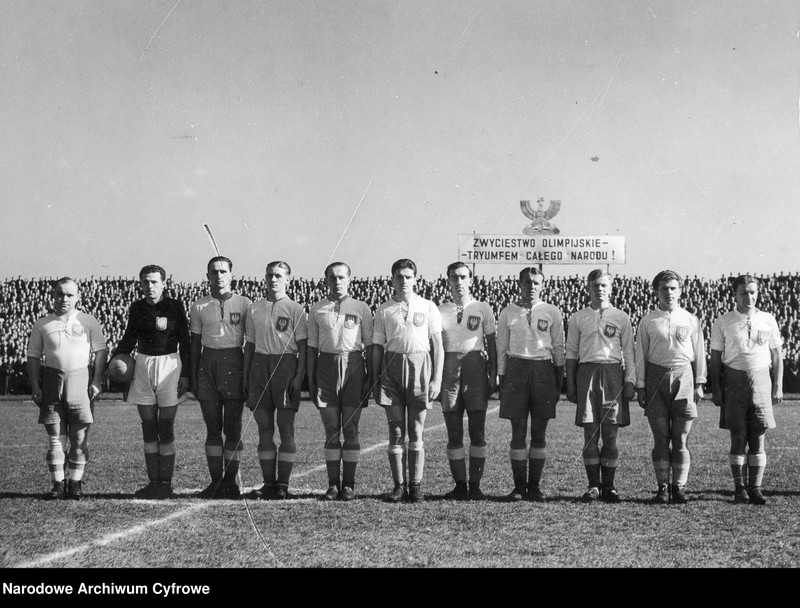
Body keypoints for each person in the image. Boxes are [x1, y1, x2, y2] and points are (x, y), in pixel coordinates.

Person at [26, 278, 108, 500]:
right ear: (53, 296)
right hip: (52, 381)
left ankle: (75, 483)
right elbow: (33, 356)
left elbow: (101, 351)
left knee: (79, 438)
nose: (64, 299)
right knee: (56, 439)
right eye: (60, 294)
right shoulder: (42, 323)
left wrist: (97, 381)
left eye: (69, 295)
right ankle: (58, 484)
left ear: (77, 297)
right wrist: (36, 386)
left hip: (81, 380)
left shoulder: (89, 321)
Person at [113, 265, 191, 499]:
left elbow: (185, 341)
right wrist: (114, 360)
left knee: (166, 427)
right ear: (141, 283)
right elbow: (129, 338)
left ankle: (165, 483)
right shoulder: (137, 308)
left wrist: (185, 373)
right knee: (148, 428)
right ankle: (153, 482)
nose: (150, 286)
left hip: (169, 365)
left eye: (154, 282)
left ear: (164, 283)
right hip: (143, 365)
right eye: (146, 282)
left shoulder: (174, 306)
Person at [372, 259, 444, 503]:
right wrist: (375, 379)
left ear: (415, 279)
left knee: (416, 429)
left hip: (420, 366)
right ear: (392, 279)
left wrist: (436, 379)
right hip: (392, 369)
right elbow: (377, 348)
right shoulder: (384, 310)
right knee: (396, 430)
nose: (404, 281)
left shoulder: (428, 306)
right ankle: (399, 486)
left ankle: (416, 485)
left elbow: (438, 347)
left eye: (408, 276)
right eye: (399, 276)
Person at [709, 274, 783, 505]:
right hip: (734, 380)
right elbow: (715, 359)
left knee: (758, 437)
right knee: (738, 436)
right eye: (744, 292)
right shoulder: (723, 321)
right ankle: (739, 488)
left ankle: (756, 488)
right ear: (734, 294)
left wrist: (778, 385)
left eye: (752, 292)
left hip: (761, 379)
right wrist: (717, 389)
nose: (749, 296)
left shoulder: (768, 320)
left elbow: (776, 355)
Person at [634, 270, 706, 504]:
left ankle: (679, 487)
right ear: (656, 292)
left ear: (680, 291)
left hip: (684, 376)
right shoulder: (648, 320)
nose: (669, 293)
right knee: (661, 437)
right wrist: (641, 386)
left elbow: (699, 354)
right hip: (656, 377)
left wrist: (699, 383)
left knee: (681, 437)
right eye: (664, 289)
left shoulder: (691, 319)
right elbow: (640, 356)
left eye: (673, 288)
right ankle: (663, 487)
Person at [565, 269, 635, 503]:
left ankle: (609, 486)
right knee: (590, 435)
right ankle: (593, 485)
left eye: (604, 284)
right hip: (587, 373)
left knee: (611, 435)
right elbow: (571, 353)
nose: (599, 289)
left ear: (611, 287)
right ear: (588, 287)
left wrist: (630, 381)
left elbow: (629, 353)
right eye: (595, 285)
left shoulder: (621, 316)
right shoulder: (578, 317)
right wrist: (571, 384)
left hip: (613, 373)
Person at [307, 262, 374, 501]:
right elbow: (312, 348)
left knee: (351, 429)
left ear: (349, 279)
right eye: (332, 278)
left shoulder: (361, 307)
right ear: (326, 280)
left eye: (342, 277)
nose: (337, 282)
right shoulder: (317, 309)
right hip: (325, 368)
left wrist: (370, 378)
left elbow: (370, 345)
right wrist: (311, 380)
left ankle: (349, 485)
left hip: (354, 367)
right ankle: (333, 484)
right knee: (331, 430)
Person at [497, 267, 564, 502]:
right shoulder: (507, 312)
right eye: (527, 282)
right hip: (516, 369)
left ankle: (534, 486)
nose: (532, 286)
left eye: (536, 283)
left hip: (543, 369)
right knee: (517, 432)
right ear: (520, 284)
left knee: (539, 432)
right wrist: (503, 379)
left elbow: (558, 348)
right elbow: (501, 350)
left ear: (542, 285)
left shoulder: (552, 311)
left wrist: (559, 380)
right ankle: (519, 487)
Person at [243, 261, 307, 500]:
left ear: (288, 280)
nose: (273, 279)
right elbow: (249, 343)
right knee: (264, 430)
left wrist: (299, 376)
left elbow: (302, 346)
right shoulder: (254, 308)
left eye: (279, 275)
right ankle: (269, 483)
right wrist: (248, 375)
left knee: (286, 429)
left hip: (285, 365)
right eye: (270, 274)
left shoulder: (295, 308)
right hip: (259, 365)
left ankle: (283, 484)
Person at [189, 256, 252, 499]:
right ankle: (215, 481)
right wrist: (194, 375)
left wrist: (246, 375)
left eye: (223, 271)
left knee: (233, 427)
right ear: (208, 276)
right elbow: (195, 344)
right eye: (214, 272)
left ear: (231, 275)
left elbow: (252, 341)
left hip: (234, 361)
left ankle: (231, 481)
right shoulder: (199, 305)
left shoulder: (244, 303)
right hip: (208, 363)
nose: (219, 276)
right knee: (213, 427)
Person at [438, 262, 497, 501]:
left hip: (475, 367)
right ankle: (460, 484)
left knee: (477, 431)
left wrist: (493, 374)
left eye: (463, 277)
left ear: (471, 280)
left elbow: (491, 344)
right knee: (453, 433)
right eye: (454, 277)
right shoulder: (440, 310)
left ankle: (476, 485)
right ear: (448, 280)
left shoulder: (483, 308)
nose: (459, 281)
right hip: (449, 368)